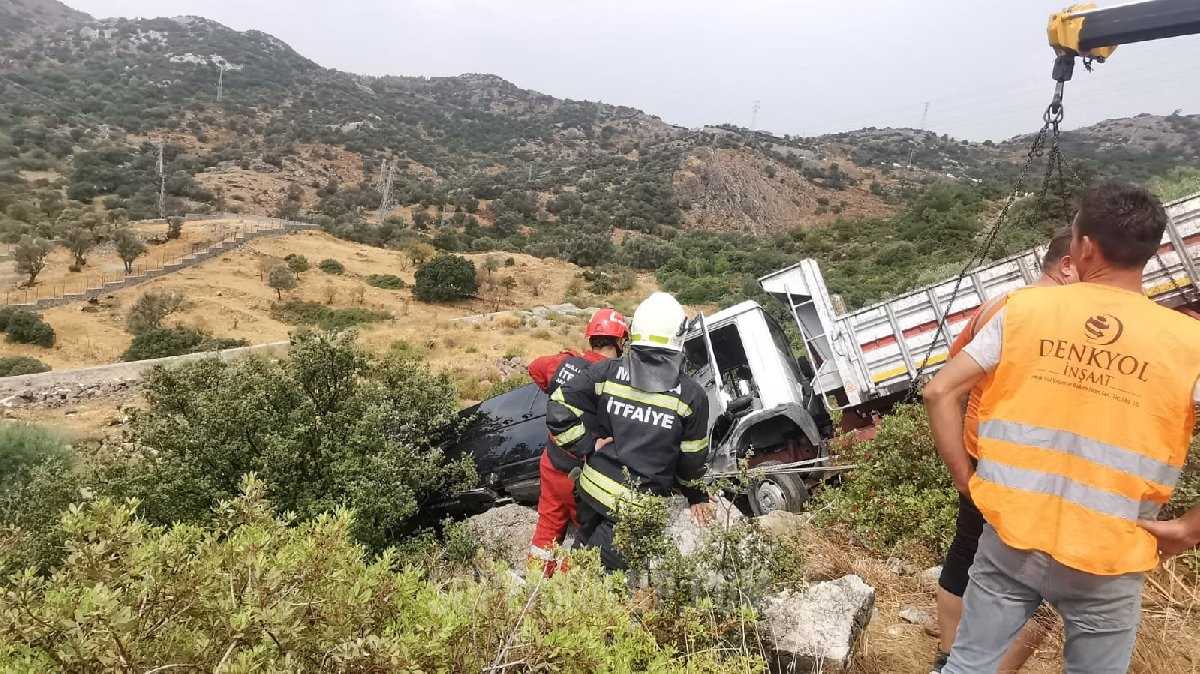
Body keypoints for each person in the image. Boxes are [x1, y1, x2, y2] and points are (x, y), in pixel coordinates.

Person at [925, 183, 1200, 674]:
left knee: (968, 666)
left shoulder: (1025, 310)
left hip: (1010, 538)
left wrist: (968, 483)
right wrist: (1190, 527)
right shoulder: (1189, 343)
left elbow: (939, 391)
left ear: (1085, 247)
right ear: (1151, 253)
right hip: (1110, 553)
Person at [931, 228, 1077, 674]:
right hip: (1044, 473)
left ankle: (949, 659)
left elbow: (948, 383)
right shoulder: (1067, 316)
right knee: (1047, 582)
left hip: (985, 460)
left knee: (964, 557)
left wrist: (963, 472)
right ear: (1069, 264)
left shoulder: (999, 306)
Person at [546, 292, 713, 571]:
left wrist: (586, 445)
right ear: (678, 337)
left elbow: (558, 407)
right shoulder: (691, 396)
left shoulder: (606, 373)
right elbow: (691, 461)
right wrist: (696, 496)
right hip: (633, 511)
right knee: (593, 584)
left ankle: (552, 601)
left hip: (589, 492)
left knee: (579, 562)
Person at [526, 308, 629, 576]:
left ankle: (535, 582)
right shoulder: (619, 378)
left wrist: (556, 385)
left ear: (591, 337)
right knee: (586, 533)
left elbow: (534, 368)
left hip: (552, 463)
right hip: (585, 473)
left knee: (548, 526)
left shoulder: (564, 363)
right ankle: (567, 593)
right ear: (620, 342)